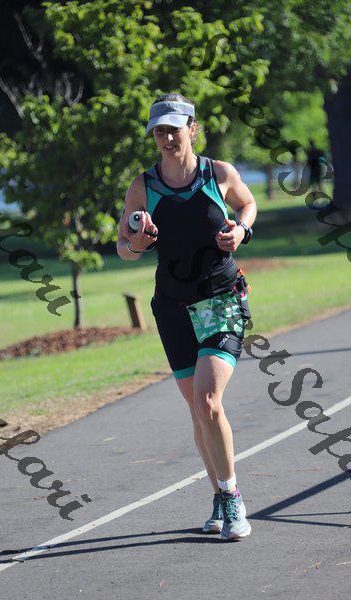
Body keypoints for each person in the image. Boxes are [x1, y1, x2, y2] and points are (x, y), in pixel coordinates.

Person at [116, 93, 257, 541]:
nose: (167, 138)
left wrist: (241, 230)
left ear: (192, 128)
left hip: (220, 298)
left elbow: (248, 204)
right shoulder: (142, 187)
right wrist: (138, 242)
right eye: (159, 131)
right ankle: (218, 492)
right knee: (198, 410)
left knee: (208, 400)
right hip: (171, 307)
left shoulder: (219, 174)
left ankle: (232, 499)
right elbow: (123, 247)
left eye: (174, 129)